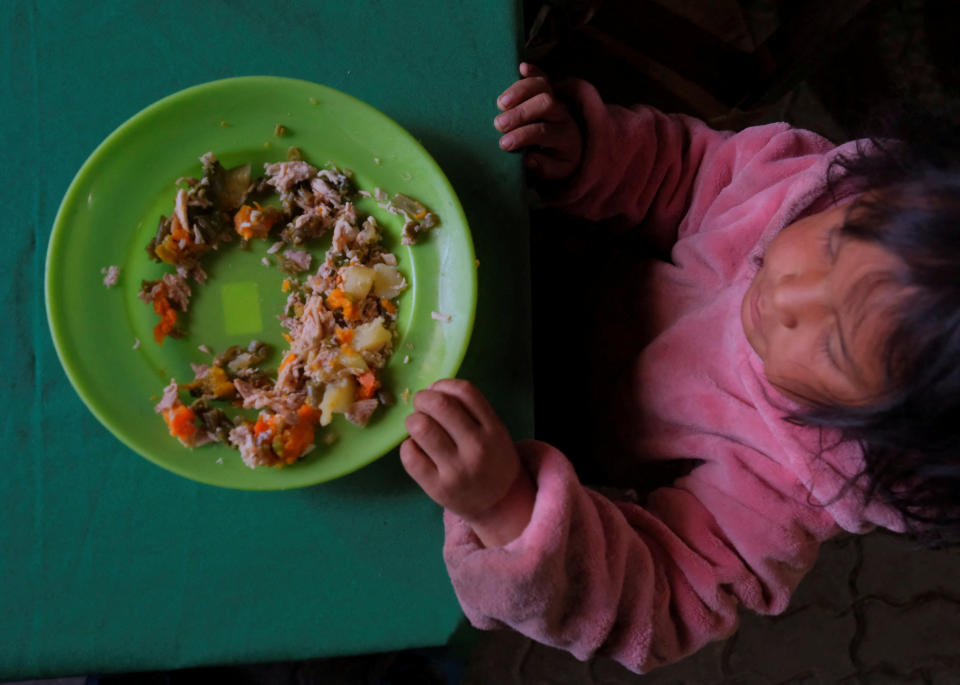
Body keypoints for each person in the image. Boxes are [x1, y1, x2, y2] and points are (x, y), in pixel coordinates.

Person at [398, 62, 960, 673]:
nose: (789, 293)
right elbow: (686, 173)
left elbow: (661, 608)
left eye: (837, 346)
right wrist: (588, 152)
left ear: (882, 428)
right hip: (531, 263)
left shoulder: (793, 486)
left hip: (529, 442)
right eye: (834, 245)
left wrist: (508, 508)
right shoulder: (810, 185)